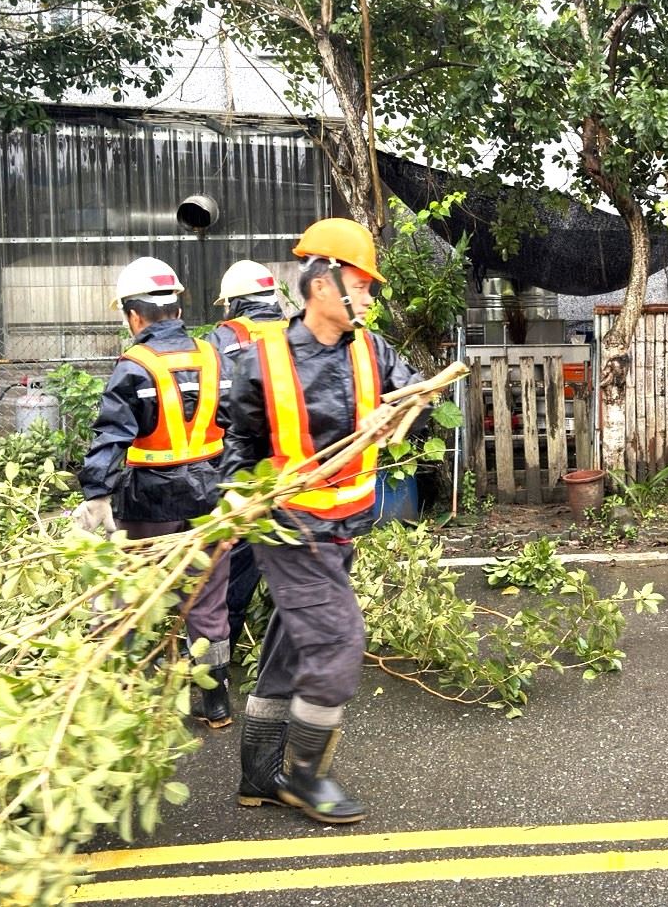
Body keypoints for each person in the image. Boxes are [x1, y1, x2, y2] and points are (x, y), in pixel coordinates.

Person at [224, 217, 418, 826]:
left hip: (343, 528)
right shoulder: (265, 362)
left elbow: (409, 387)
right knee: (337, 644)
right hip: (288, 530)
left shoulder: (371, 349)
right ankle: (304, 777)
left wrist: (406, 401)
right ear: (323, 287)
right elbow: (241, 441)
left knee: (293, 641)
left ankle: (259, 775)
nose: (368, 297)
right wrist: (235, 492)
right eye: (361, 285)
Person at [72, 256, 236, 725]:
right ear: (177, 309)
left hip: (149, 501)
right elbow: (237, 423)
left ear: (134, 315)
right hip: (210, 496)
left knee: (132, 592)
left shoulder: (135, 366)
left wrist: (97, 493)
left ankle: (119, 693)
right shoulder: (213, 356)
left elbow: (112, 435)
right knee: (207, 596)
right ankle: (217, 702)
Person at [205, 260, 288, 656]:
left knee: (232, 570)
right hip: (297, 468)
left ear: (234, 304)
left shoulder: (222, 340)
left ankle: (217, 668)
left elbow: (217, 404)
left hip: (243, 468)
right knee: (294, 565)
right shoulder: (301, 332)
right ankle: (288, 655)